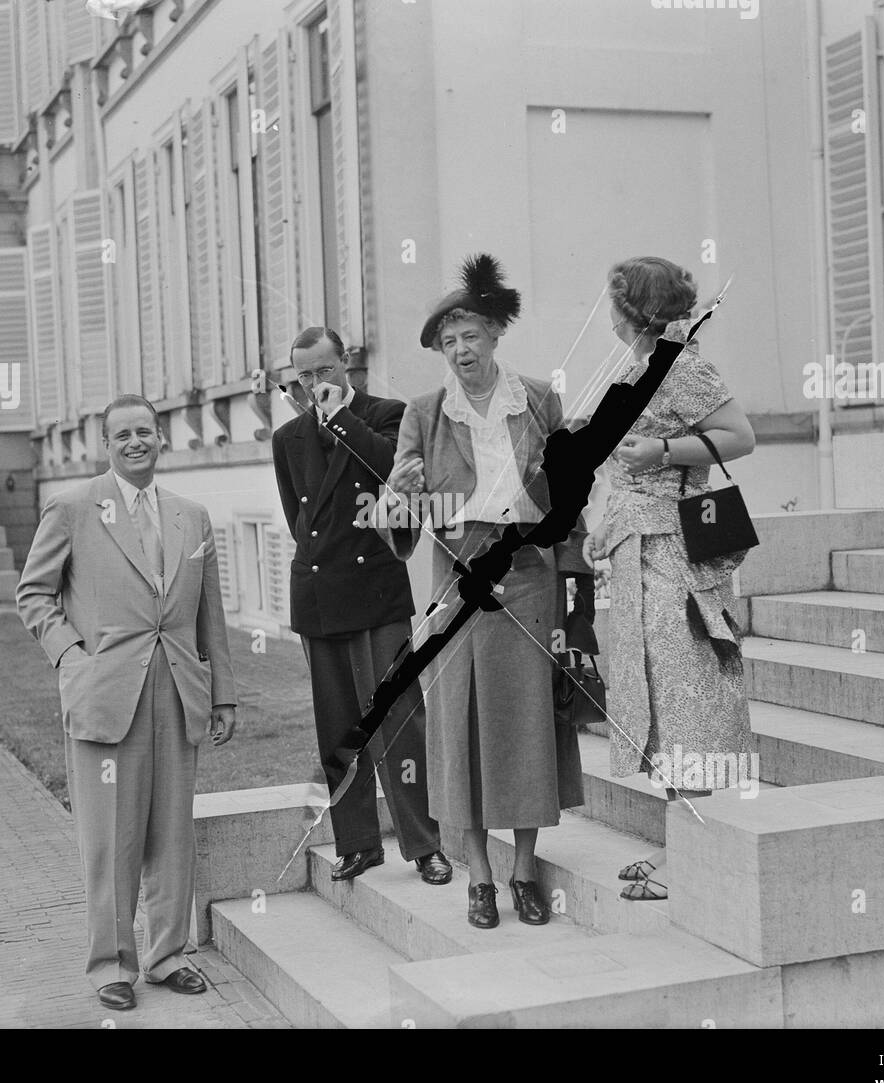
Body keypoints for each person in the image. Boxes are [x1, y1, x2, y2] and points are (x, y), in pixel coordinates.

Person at [376, 254, 587, 929]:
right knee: (460, 727)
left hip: (526, 576)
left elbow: (566, 496)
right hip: (459, 583)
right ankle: (479, 878)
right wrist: (399, 501)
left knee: (524, 728)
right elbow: (397, 518)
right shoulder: (423, 415)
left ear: (495, 334)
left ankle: (524, 871)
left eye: (469, 335)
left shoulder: (538, 401)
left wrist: (576, 571)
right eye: (447, 342)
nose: (459, 350)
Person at [16, 394, 237, 1010]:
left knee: (171, 830)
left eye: (145, 431)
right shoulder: (72, 507)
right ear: (105, 446)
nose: (135, 442)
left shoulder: (191, 516)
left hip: (177, 692)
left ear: (160, 438)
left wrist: (222, 693)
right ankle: (111, 965)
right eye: (123, 436)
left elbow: (208, 613)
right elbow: (34, 595)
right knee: (110, 837)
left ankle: (168, 956)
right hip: (107, 695)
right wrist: (70, 657)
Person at [582, 257, 756, 901]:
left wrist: (659, 452)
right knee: (661, 697)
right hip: (641, 553)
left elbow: (739, 437)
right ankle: (678, 842)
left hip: (677, 554)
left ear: (628, 313)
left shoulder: (680, 366)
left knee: (687, 697)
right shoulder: (645, 367)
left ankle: (692, 858)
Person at [271, 327, 450, 886]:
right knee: (339, 730)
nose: (313, 384)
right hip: (319, 597)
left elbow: (388, 472)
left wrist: (340, 418)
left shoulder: (388, 414)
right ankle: (357, 843)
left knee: (399, 723)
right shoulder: (288, 437)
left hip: (376, 592)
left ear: (345, 363)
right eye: (303, 376)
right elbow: (298, 519)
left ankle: (425, 846)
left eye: (323, 371)